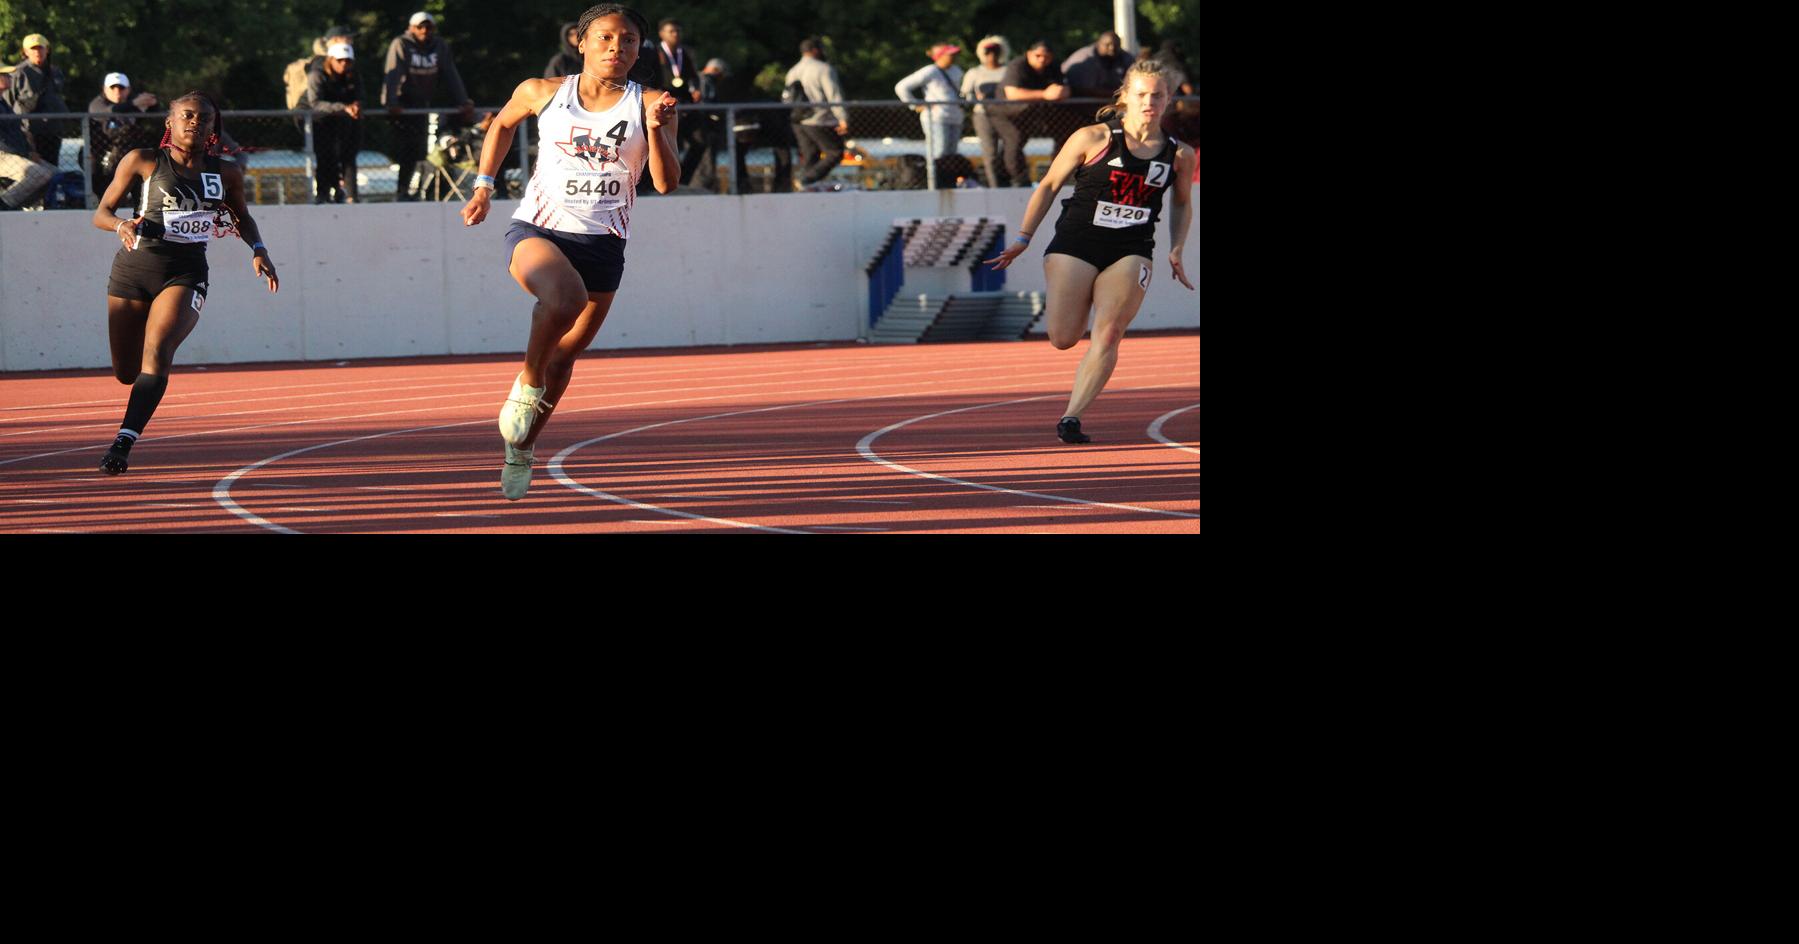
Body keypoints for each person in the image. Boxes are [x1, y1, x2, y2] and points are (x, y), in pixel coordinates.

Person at [458, 4, 678, 500]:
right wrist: (484, 187)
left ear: (638, 50)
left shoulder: (652, 103)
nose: (615, 48)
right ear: (581, 42)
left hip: (603, 245)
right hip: (539, 230)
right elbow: (502, 124)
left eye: (627, 41)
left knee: (566, 358)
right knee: (562, 301)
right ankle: (527, 382)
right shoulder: (542, 91)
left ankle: (522, 448)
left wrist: (659, 130)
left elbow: (665, 183)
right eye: (604, 38)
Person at [984, 59, 1194, 445]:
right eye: (1142, 94)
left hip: (1132, 248)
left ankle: (1071, 417)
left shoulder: (1179, 155)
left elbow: (1182, 203)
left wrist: (1176, 246)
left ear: (1167, 100)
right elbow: (1048, 186)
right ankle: (1073, 338)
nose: (1150, 101)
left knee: (1110, 332)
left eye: (1158, 95)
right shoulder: (1092, 138)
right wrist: (1023, 238)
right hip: (1076, 243)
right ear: (1125, 97)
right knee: (1063, 337)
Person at [89, 91, 279, 475]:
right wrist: (121, 224)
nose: (195, 122)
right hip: (133, 270)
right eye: (187, 115)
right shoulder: (143, 161)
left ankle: (124, 441)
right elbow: (102, 212)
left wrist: (258, 248)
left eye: (204, 118)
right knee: (127, 372)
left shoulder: (224, 172)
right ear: (170, 123)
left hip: (186, 273)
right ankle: (134, 406)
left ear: (213, 127)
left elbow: (241, 216)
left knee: (157, 349)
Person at [383, 11, 475, 201]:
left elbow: (450, 73)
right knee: (406, 149)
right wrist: (391, 102)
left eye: (428, 27)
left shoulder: (439, 45)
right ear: (411, 28)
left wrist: (463, 101)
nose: (424, 30)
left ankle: (420, 191)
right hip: (403, 105)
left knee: (422, 151)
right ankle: (402, 191)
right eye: (420, 27)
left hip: (422, 104)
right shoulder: (401, 44)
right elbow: (393, 73)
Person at [894, 43, 965, 188]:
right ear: (940, 56)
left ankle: (948, 181)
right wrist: (915, 105)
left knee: (951, 154)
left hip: (955, 117)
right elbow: (901, 87)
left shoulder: (957, 71)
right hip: (936, 118)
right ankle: (935, 182)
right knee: (940, 151)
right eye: (949, 54)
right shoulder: (930, 71)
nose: (953, 57)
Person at [995, 41, 1066, 185]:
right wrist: (1045, 94)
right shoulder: (1018, 66)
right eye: (1037, 55)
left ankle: (1056, 176)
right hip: (1005, 113)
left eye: (1046, 56)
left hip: (1029, 114)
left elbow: (1064, 89)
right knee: (1013, 141)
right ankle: (1018, 180)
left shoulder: (1053, 67)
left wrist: (1061, 92)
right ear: (1029, 54)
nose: (1042, 59)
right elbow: (1012, 93)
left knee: (1063, 133)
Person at [786, 37, 850, 190]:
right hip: (819, 119)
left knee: (810, 156)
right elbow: (833, 95)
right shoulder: (823, 69)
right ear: (816, 50)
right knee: (835, 152)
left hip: (798, 120)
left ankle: (806, 187)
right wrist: (843, 118)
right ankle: (807, 180)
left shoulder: (793, 71)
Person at [306, 43, 363, 203]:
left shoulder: (353, 75)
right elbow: (315, 103)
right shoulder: (317, 75)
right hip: (322, 122)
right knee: (325, 157)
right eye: (340, 60)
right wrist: (343, 108)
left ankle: (351, 195)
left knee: (348, 157)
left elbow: (358, 96)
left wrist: (356, 106)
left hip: (345, 123)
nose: (344, 64)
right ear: (330, 60)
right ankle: (323, 194)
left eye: (347, 61)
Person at [87, 73, 159, 199]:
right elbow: (109, 111)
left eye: (121, 88)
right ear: (104, 89)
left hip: (130, 152)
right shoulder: (97, 103)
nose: (117, 92)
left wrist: (153, 103)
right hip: (102, 153)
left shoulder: (134, 102)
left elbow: (157, 117)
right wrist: (135, 104)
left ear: (128, 90)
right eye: (113, 88)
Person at [4, 34, 68, 169]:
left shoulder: (55, 72)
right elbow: (7, 101)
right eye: (33, 49)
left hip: (52, 131)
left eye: (40, 48)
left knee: (52, 171)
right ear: (25, 52)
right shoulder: (19, 73)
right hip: (29, 133)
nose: (37, 52)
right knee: (32, 171)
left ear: (47, 50)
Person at [960, 35, 1013, 188]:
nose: (991, 56)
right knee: (990, 153)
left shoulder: (1007, 70)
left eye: (995, 52)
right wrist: (976, 98)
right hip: (983, 114)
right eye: (988, 52)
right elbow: (965, 95)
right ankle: (994, 185)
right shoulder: (975, 72)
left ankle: (1008, 181)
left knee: (1009, 149)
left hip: (1005, 115)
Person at [1063, 32, 1131, 100]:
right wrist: (1117, 93)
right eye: (1107, 45)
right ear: (1098, 44)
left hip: (1112, 100)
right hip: (1080, 103)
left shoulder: (1125, 57)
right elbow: (1084, 90)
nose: (1112, 48)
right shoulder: (1085, 59)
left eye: (1116, 45)